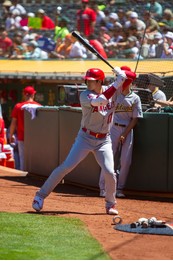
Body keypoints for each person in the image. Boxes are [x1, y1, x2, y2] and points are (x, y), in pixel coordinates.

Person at [32, 66, 130, 215]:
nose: (88, 83)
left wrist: (121, 74)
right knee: (66, 167)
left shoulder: (112, 89)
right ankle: (40, 195)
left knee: (110, 172)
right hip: (85, 138)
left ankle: (110, 204)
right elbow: (101, 101)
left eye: (91, 81)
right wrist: (117, 82)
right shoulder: (85, 95)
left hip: (104, 140)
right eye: (87, 81)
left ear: (100, 81)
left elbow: (128, 79)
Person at [99, 66, 143, 198]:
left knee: (126, 161)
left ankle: (119, 188)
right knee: (108, 158)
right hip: (112, 128)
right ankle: (103, 188)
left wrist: (125, 133)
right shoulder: (115, 93)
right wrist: (118, 75)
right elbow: (107, 89)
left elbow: (135, 119)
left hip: (127, 129)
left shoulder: (135, 98)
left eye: (126, 81)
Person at [9, 86, 41, 170]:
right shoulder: (39, 106)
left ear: (24, 95)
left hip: (22, 137)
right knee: (36, 159)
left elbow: (13, 123)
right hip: (36, 138)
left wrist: (10, 135)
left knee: (23, 159)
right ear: (33, 94)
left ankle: (24, 178)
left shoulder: (18, 106)